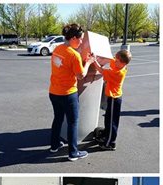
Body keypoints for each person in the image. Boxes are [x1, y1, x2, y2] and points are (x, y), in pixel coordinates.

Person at [49, 23, 95, 161]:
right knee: (72, 122)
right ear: (74, 38)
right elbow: (81, 75)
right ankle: (73, 153)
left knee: (57, 119)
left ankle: (54, 145)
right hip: (68, 94)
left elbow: (63, 66)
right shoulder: (73, 55)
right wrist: (88, 62)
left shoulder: (57, 49)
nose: (81, 42)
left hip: (54, 92)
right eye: (80, 39)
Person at [92, 49, 132, 150]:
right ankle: (106, 136)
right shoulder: (120, 65)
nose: (115, 61)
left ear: (122, 63)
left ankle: (110, 143)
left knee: (112, 122)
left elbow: (101, 71)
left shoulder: (118, 73)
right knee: (108, 118)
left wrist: (93, 60)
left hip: (114, 98)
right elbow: (111, 60)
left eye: (117, 60)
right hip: (112, 97)